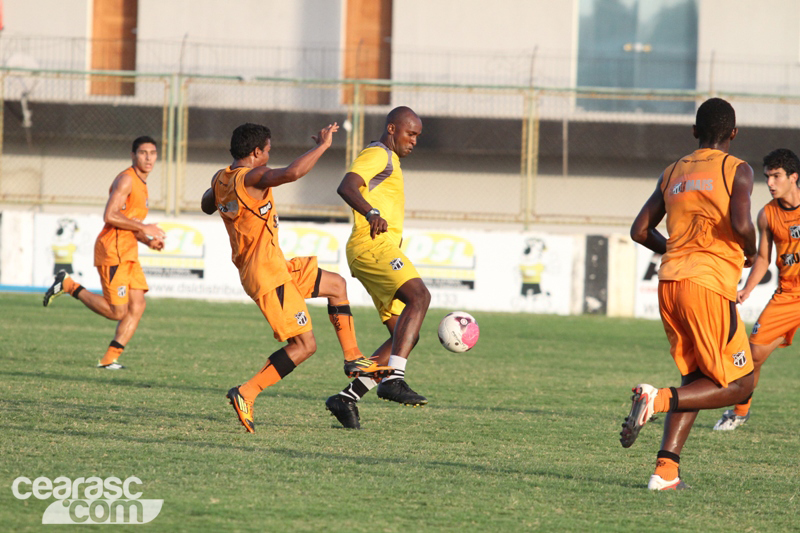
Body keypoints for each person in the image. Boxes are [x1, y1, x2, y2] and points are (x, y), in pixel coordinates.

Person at [200, 122, 393, 433]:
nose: (268, 157)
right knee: (304, 345)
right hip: (266, 274)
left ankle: (353, 358)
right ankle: (246, 393)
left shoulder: (221, 177)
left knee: (335, 285)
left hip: (276, 265)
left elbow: (207, 204)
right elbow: (290, 173)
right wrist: (323, 146)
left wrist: (225, 200)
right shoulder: (253, 176)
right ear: (255, 152)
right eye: (267, 151)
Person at [625, 97, 757, 490]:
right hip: (709, 285)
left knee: (696, 379)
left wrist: (678, 251)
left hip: (670, 284)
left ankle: (665, 473)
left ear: (695, 132)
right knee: (741, 383)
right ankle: (657, 400)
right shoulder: (738, 170)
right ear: (733, 133)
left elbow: (639, 230)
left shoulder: (673, 171)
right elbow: (741, 222)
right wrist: (750, 251)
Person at [325, 106, 430, 430]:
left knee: (404, 336)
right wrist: (371, 213)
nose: (414, 141)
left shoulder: (392, 161)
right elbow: (347, 185)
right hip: (372, 247)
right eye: (410, 134)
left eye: (417, 136)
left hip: (380, 250)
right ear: (391, 129)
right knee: (420, 297)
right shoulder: (378, 153)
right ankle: (393, 379)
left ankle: (346, 398)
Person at [43, 136, 167, 370]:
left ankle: (109, 359)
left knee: (138, 305)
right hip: (113, 251)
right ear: (133, 155)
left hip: (128, 251)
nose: (149, 157)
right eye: (143, 152)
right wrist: (144, 228)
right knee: (117, 312)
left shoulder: (142, 184)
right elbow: (109, 216)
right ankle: (68, 285)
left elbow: (129, 222)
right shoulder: (126, 180)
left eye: (153, 152)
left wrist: (148, 241)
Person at [713, 148, 800, 430]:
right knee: (753, 355)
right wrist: (747, 288)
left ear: (794, 177)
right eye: (767, 177)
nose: (770, 183)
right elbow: (763, 257)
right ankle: (740, 411)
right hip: (788, 296)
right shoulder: (767, 215)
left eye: (776, 176)